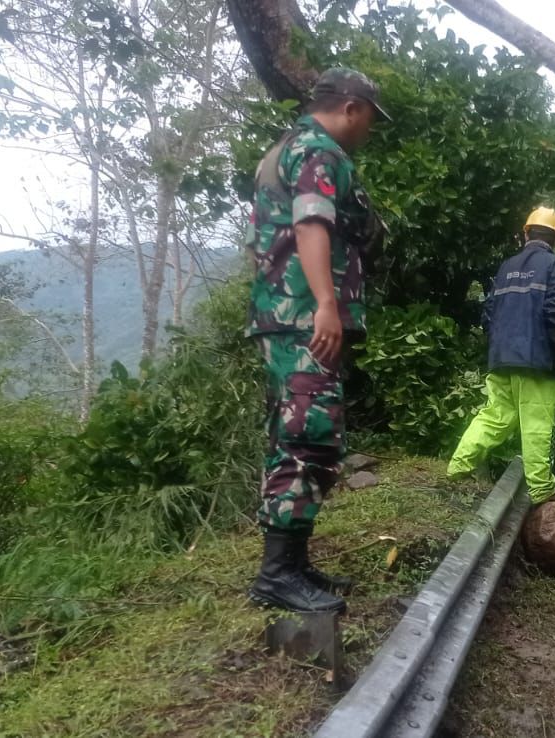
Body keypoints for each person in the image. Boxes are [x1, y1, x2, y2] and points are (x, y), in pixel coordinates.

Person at [244, 67, 392, 613]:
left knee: (298, 433)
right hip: (305, 317)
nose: (370, 129)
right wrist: (326, 305)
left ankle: (293, 563)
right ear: (351, 108)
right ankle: (277, 574)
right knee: (309, 437)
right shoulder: (319, 152)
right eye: (371, 118)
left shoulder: (285, 148)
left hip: (286, 315)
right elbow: (311, 226)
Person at [447, 207, 555, 505]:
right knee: (536, 422)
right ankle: (542, 489)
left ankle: (458, 466)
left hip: (502, 356)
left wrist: (498, 347)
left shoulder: (506, 266)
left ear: (526, 233)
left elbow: (489, 312)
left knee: (495, 416)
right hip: (536, 360)